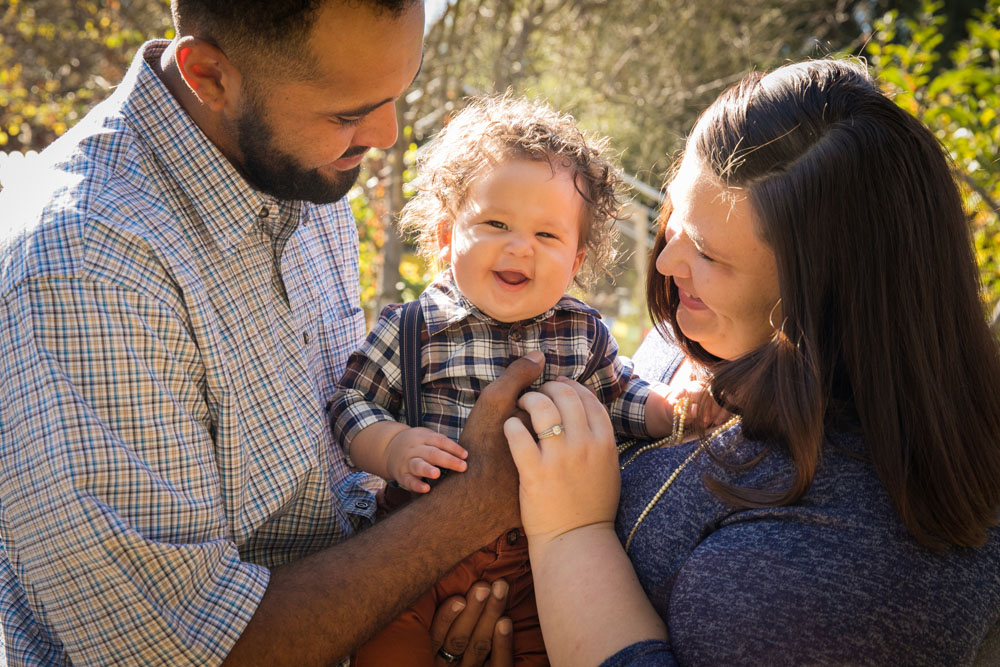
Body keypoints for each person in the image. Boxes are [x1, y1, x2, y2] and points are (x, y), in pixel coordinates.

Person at [0, 1, 539, 664]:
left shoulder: (304, 172)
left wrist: (436, 597)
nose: (388, 133)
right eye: (349, 113)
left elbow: (339, 488)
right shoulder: (88, 265)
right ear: (210, 77)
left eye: (398, 93)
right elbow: (184, 650)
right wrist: (469, 510)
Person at [502, 58, 1000, 665]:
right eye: (676, 218)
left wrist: (569, 539)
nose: (665, 263)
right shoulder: (711, 334)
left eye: (709, 253)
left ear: (822, 301)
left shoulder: (848, 572)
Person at [332, 95, 709, 666]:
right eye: (496, 223)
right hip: (415, 550)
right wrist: (390, 445)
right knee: (385, 646)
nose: (519, 247)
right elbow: (351, 402)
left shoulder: (580, 332)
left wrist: (667, 410)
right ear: (444, 235)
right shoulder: (411, 329)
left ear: (577, 259)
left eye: (547, 236)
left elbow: (618, 396)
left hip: (537, 563)